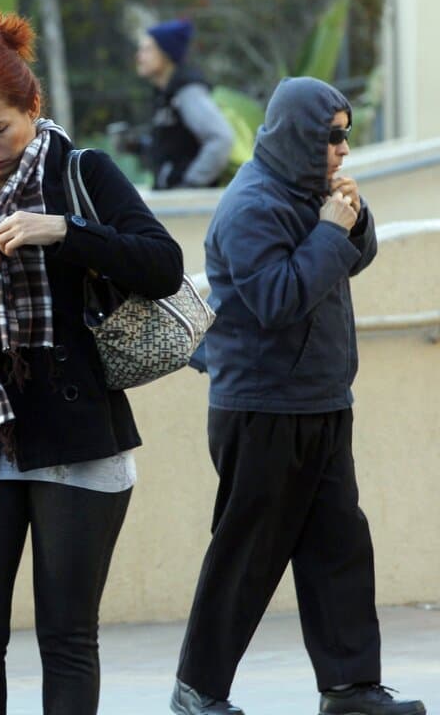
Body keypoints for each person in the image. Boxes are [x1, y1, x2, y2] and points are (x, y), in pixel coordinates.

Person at [0, 10, 184, 714]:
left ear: (31, 108)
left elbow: (163, 265)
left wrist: (65, 231)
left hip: (75, 432)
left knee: (67, 638)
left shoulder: (83, 174)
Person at [170, 77, 426, 715]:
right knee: (248, 554)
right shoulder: (251, 206)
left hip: (322, 398)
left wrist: (354, 218)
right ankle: (196, 690)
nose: (343, 148)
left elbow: (350, 258)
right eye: (332, 137)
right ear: (299, 136)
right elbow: (278, 299)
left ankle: (350, 689)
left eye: (346, 135)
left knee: (339, 546)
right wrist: (330, 231)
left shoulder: (310, 191)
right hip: (263, 408)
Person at [131, 18, 233, 190]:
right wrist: (140, 147)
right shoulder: (165, 94)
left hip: (188, 202)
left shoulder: (188, 92)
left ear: (166, 53)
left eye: (147, 49)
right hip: (173, 195)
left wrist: (190, 184)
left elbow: (221, 138)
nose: (139, 56)